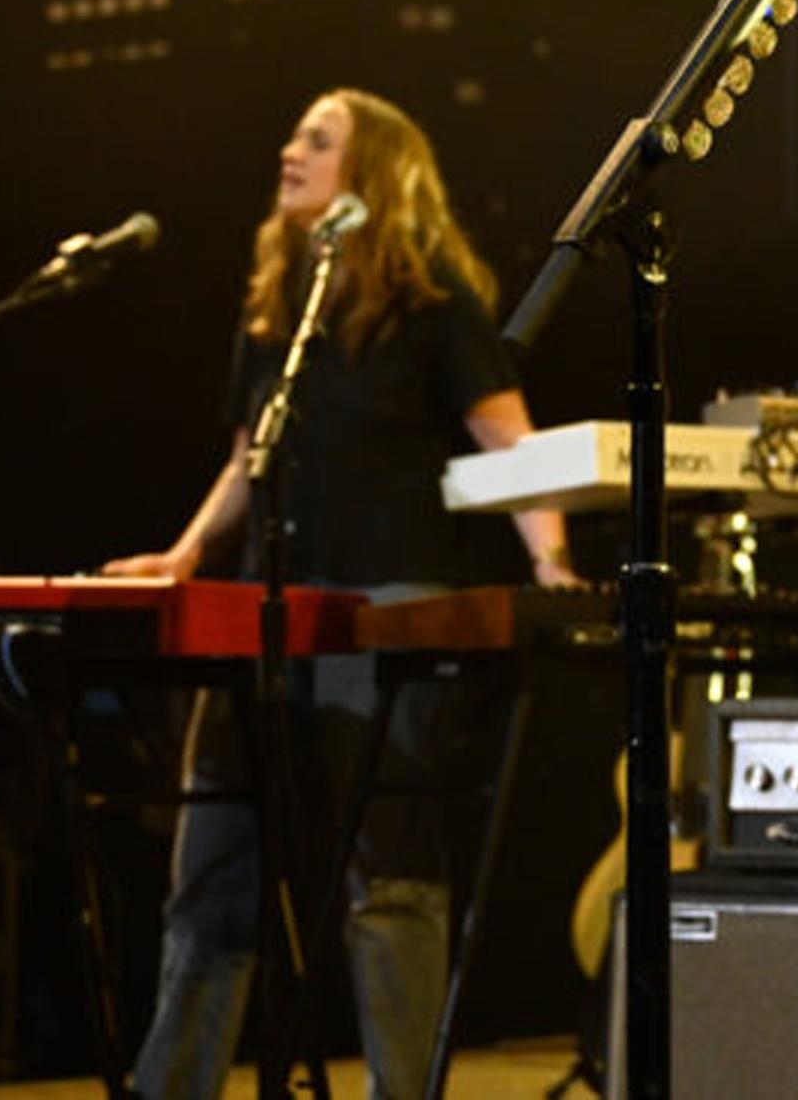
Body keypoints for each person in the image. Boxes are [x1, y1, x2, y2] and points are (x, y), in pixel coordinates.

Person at [102, 87, 575, 1100]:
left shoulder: (431, 292)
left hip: (386, 603)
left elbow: (507, 435)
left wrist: (549, 558)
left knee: (391, 881)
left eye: (318, 139)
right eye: (291, 135)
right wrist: (184, 557)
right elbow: (248, 456)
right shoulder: (282, 299)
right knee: (213, 871)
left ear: (376, 173)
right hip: (268, 603)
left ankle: (403, 1091)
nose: (289, 150)